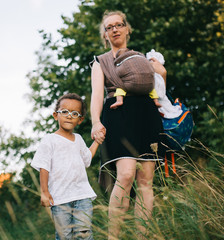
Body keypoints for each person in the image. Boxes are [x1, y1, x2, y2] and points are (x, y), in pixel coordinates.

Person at [90, 10, 167, 238]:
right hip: (118, 113)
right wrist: (95, 122)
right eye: (109, 27)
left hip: (146, 113)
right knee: (125, 175)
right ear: (105, 35)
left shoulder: (141, 58)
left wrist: (162, 72)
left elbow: (159, 85)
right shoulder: (100, 62)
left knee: (145, 180)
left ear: (127, 29)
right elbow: (97, 95)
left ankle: (141, 236)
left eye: (119, 24)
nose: (114, 29)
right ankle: (114, 236)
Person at [31, 93, 102, 240]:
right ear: (56, 115)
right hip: (59, 198)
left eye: (74, 113)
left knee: (84, 233)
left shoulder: (79, 139)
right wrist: (44, 192)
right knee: (64, 235)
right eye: (64, 112)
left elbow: (86, 159)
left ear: (80, 119)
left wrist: (97, 142)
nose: (69, 116)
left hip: (82, 195)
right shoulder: (49, 140)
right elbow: (44, 166)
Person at [110, 48, 183, 119]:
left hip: (138, 107)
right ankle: (156, 101)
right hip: (148, 88)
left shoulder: (121, 64)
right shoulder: (142, 59)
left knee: (120, 87)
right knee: (151, 87)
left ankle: (119, 100)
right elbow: (160, 93)